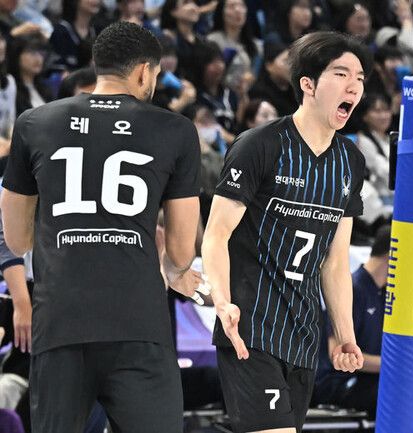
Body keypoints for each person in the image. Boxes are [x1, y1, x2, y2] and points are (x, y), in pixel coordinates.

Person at [0, 22, 203, 433]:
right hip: (138, 322)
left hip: (60, 322)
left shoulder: (34, 122)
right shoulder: (175, 129)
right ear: (144, 72)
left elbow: (17, 239)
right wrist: (173, 267)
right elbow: (182, 251)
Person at [202, 30, 372, 433]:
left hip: (303, 335)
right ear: (307, 84)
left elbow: (335, 262)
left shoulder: (350, 161)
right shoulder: (260, 145)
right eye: (341, 74)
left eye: (360, 78)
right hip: (251, 327)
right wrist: (222, 302)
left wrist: (344, 334)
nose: (354, 86)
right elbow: (216, 235)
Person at [314, 225, 413, 433]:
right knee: (412, 392)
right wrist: (406, 366)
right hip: (341, 381)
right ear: (394, 254)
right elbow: (337, 354)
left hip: (376, 378)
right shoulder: (353, 289)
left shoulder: (388, 294)